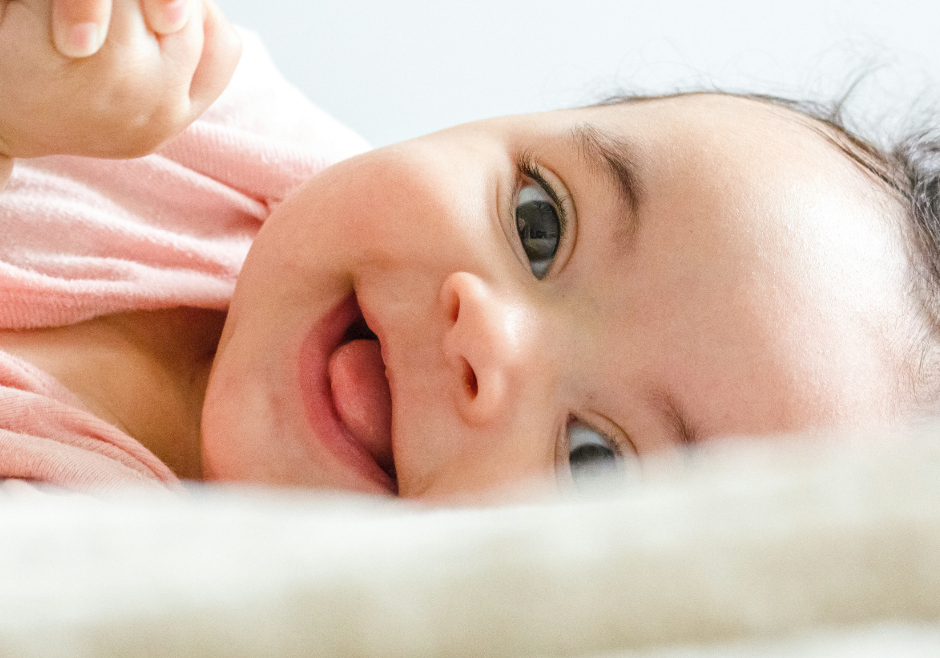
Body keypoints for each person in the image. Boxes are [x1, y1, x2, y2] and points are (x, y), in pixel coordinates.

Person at [0, 0, 935, 500]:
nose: (488, 336)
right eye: (540, 222)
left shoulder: (106, 562)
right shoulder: (199, 111)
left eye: (593, 459)